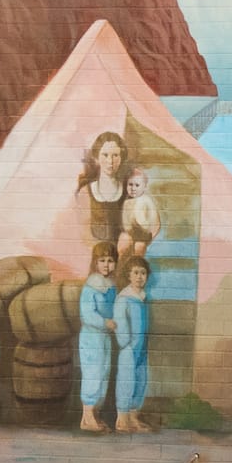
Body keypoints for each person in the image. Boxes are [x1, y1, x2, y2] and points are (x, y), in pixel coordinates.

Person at [78, 242, 119, 433]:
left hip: (105, 337)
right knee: (93, 374)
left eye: (110, 261)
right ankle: (86, 417)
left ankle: (94, 415)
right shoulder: (91, 286)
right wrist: (105, 322)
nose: (106, 265)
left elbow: (114, 309)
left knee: (104, 374)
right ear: (95, 262)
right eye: (102, 260)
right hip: (91, 337)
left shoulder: (111, 285)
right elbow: (87, 314)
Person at [113, 256, 153, 433]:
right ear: (128, 275)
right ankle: (122, 420)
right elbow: (120, 323)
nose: (139, 277)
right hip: (128, 347)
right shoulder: (124, 298)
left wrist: (143, 344)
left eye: (143, 273)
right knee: (126, 380)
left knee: (140, 379)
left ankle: (133, 417)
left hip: (141, 347)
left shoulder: (143, 298)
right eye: (135, 273)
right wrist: (126, 343)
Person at [76, 131, 130, 244]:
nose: (110, 161)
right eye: (105, 155)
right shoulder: (86, 192)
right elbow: (84, 234)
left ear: (121, 158)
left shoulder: (128, 192)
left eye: (115, 155)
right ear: (97, 157)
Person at [118, 168, 161, 256]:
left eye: (137, 185)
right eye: (130, 184)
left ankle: (137, 261)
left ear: (144, 187)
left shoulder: (146, 200)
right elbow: (125, 223)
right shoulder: (127, 202)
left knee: (139, 247)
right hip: (131, 232)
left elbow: (156, 221)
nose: (133, 188)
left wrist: (151, 236)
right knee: (123, 243)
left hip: (144, 233)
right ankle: (123, 260)